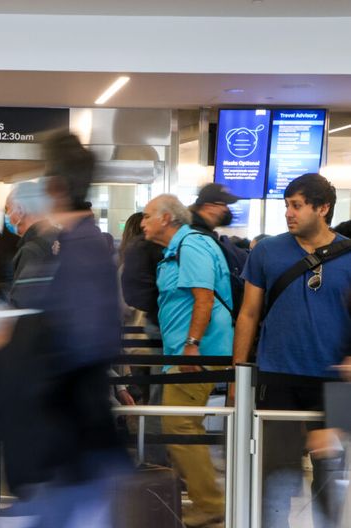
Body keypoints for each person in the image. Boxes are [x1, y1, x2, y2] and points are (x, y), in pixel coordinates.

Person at [0, 132, 130, 527]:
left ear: (54, 187)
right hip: (68, 447)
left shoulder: (80, 250)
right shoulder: (76, 244)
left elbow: (78, 346)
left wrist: (14, 340)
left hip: (67, 447)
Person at [233, 173, 351, 528]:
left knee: (330, 473)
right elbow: (249, 313)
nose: (288, 213)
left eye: (297, 206)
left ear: (323, 208)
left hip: (334, 380)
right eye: (287, 205)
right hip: (278, 374)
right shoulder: (267, 251)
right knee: (275, 473)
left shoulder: (349, 254)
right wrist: (239, 374)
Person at [141, 194, 231, 528]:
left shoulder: (191, 246)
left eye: (148, 216)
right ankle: (204, 498)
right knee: (180, 425)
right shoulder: (175, 250)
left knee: (179, 425)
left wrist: (192, 345)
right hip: (185, 352)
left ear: (166, 218)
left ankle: (210, 503)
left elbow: (204, 298)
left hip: (197, 353)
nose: (143, 222)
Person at [4, 180, 59, 307]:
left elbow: (21, 305)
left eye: (8, 209)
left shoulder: (30, 250)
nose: (7, 215)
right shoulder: (62, 238)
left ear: (20, 210)